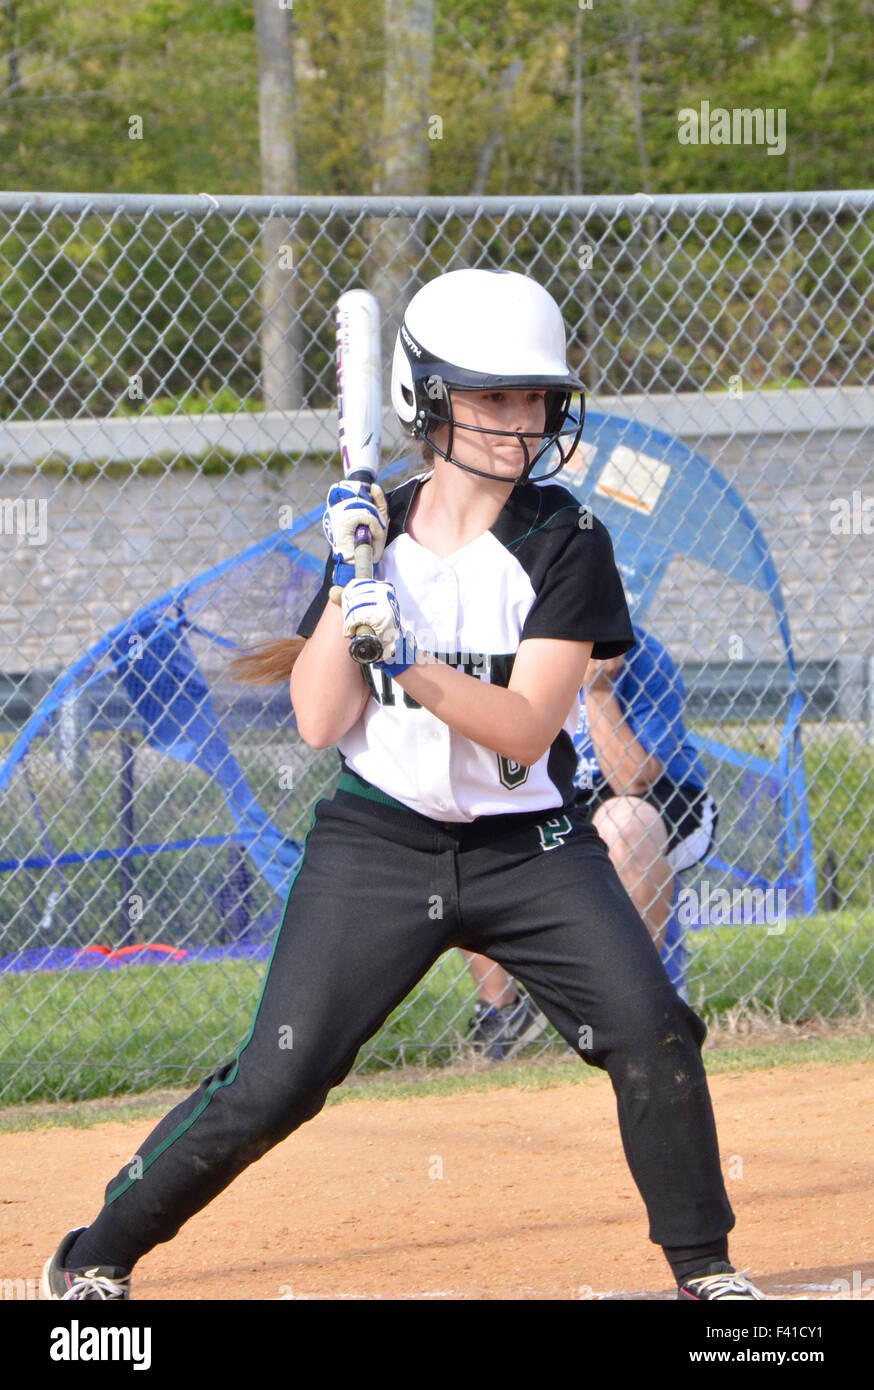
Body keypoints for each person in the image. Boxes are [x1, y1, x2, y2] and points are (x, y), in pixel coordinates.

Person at [40, 268, 764, 1301]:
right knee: (280, 1077)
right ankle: (94, 1252)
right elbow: (320, 719)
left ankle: (705, 1274)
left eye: (536, 399)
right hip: (377, 842)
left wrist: (411, 659)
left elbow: (522, 726)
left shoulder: (570, 542)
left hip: (533, 847)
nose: (523, 422)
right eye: (493, 397)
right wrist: (350, 590)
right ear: (427, 401)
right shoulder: (370, 529)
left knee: (651, 1030)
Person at [465, 627, 717, 1056]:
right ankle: (503, 1011)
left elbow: (632, 779)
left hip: (660, 798)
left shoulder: (637, 653)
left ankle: (635, 1010)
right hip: (564, 798)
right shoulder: (504, 648)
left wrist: (598, 690)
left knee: (622, 823)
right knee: (466, 826)